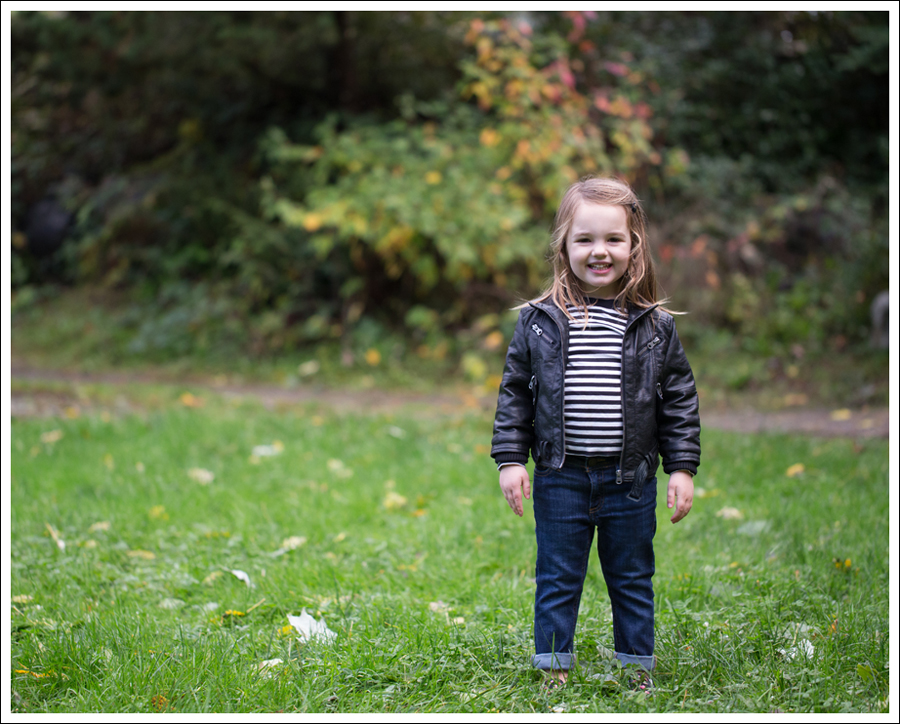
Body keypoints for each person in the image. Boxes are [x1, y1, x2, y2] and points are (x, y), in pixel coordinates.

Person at [490, 176, 700, 690]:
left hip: (629, 480)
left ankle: (636, 672)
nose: (598, 251)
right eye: (584, 239)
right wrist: (511, 459)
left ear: (634, 247)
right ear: (563, 244)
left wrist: (682, 468)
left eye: (613, 239)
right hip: (560, 477)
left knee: (631, 578)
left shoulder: (654, 325)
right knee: (558, 578)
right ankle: (553, 670)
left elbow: (679, 402)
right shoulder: (539, 322)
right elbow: (515, 393)